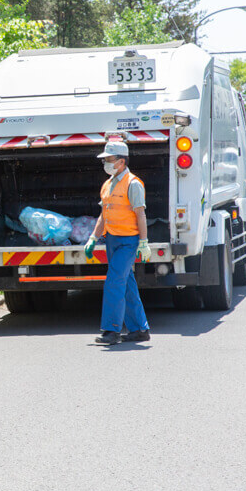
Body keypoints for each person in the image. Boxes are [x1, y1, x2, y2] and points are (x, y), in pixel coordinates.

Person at [84, 140, 152, 345]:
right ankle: (140, 329)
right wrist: (93, 238)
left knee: (114, 281)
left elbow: (141, 215)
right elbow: (103, 215)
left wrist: (143, 242)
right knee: (126, 283)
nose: (105, 162)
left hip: (128, 241)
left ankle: (111, 330)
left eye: (108, 159)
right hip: (112, 239)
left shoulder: (133, 184)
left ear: (121, 161)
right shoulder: (108, 184)